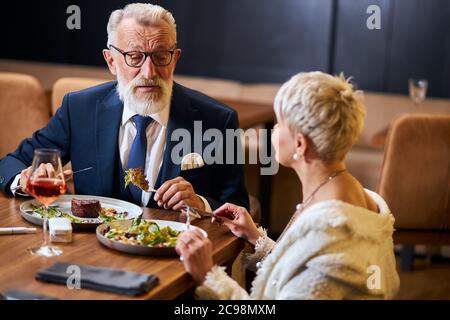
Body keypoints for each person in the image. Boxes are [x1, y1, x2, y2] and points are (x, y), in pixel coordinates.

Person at [0, 3, 248, 211]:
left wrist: (200, 204)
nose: (149, 72)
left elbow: (239, 208)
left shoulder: (217, 121)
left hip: (173, 258)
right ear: (111, 61)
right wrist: (24, 179)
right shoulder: (79, 109)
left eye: (161, 56)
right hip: (92, 255)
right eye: (135, 57)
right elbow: (11, 163)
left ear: (175, 59)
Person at [176, 71, 400, 299]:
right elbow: (305, 274)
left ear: (300, 144)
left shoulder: (329, 231)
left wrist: (208, 276)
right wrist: (256, 239)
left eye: (280, 123)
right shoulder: (355, 197)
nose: (274, 130)